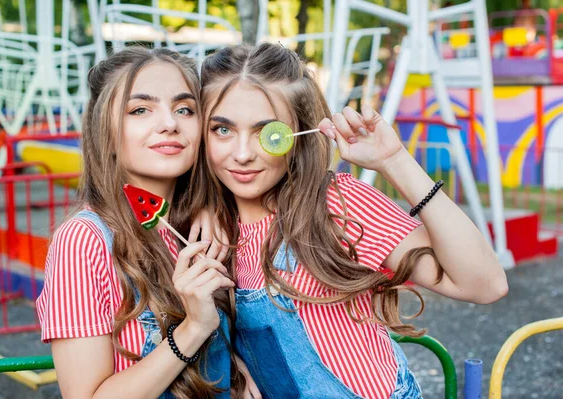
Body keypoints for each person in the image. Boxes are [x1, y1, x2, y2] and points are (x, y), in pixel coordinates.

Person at [195, 43, 508, 398]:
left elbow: (485, 285)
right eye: (222, 130)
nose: (241, 154)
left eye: (267, 133)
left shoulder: (338, 204)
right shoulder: (205, 225)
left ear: (297, 136)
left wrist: (395, 161)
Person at [36, 47, 257, 399]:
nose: (170, 123)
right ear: (104, 132)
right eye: (140, 109)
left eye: (184, 109)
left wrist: (234, 368)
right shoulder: (83, 240)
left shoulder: (207, 225)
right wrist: (194, 329)